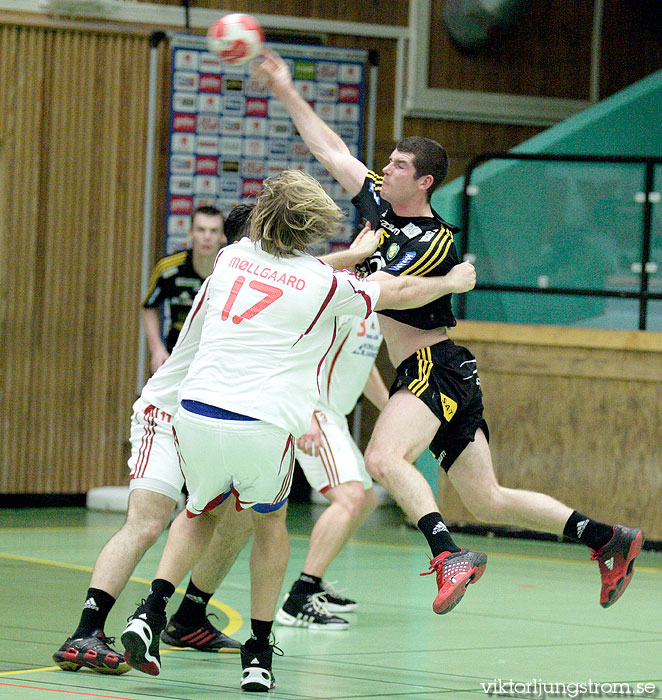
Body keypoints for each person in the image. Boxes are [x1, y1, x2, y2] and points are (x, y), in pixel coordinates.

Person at [253, 49, 645, 616]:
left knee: (384, 460)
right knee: (488, 497)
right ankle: (608, 538)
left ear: (425, 181)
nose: (382, 171)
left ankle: (448, 555)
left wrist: (335, 267)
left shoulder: (436, 240)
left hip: (433, 367)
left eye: (396, 168)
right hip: (433, 372)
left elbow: (392, 293)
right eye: (384, 164)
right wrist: (285, 88)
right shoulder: (377, 206)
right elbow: (328, 147)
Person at [119, 170, 477, 692]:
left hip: (195, 414)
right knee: (269, 526)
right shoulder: (326, 286)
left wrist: (349, 256)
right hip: (260, 422)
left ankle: (149, 613)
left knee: (198, 512)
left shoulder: (231, 257)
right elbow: (393, 288)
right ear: (311, 228)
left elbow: (289, 272)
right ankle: (259, 652)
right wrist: (449, 282)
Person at [53, 205, 254, 676]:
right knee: (147, 521)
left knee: (243, 514)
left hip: (212, 420)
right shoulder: (230, 274)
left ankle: (188, 618)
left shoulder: (266, 281)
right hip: (167, 414)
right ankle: (87, 629)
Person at [276, 312, 388, 629]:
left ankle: (315, 581)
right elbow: (299, 353)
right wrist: (307, 414)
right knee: (349, 497)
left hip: (333, 415)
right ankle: (300, 597)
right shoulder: (343, 302)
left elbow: (364, 371)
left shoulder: (377, 313)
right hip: (314, 411)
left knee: (365, 499)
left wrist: (393, 409)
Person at [143, 205, 225, 373]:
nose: (207, 237)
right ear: (190, 233)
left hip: (217, 352)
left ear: (223, 237)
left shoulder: (232, 271)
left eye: (214, 231)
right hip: (177, 350)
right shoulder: (168, 268)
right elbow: (149, 307)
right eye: (201, 230)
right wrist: (157, 349)